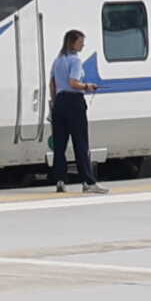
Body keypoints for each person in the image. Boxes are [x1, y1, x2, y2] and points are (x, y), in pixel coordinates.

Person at [49, 29, 107, 194]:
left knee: (59, 145)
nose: (83, 44)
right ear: (73, 42)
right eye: (81, 41)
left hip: (59, 103)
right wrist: (87, 86)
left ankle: (60, 180)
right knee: (80, 143)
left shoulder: (58, 60)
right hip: (74, 103)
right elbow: (73, 82)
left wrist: (54, 103)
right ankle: (88, 182)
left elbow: (52, 84)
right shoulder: (75, 61)